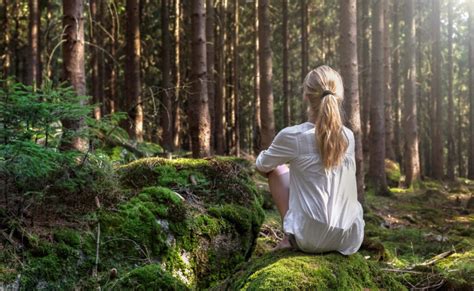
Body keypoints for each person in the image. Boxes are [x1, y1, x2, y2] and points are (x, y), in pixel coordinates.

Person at [255, 65, 364, 255]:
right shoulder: (348, 136)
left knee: (277, 170)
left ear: (306, 96)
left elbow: (262, 166)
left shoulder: (293, 136)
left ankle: (289, 237)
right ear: (339, 96)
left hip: (310, 239)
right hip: (349, 238)